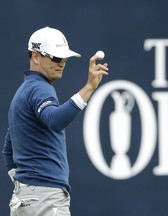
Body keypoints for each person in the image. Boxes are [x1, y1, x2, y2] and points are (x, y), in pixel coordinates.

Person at [2, 26, 109, 215]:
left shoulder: (23, 92)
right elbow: (55, 120)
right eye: (56, 58)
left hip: (25, 200)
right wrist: (89, 88)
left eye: (65, 59)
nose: (62, 63)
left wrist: (24, 184)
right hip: (45, 199)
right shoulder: (40, 88)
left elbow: (8, 148)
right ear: (35, 56)